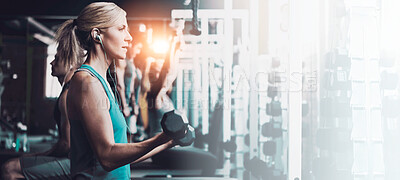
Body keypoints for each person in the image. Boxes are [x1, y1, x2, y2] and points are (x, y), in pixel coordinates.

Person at [65, 2, 175, 179]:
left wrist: (169, 141)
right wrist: (160, 139)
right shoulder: (87, 83)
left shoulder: (102, 82)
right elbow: (108, 157)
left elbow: (122, 157)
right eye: (121, 28)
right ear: (97, 35)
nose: (129, 38)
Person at [1, 19, 84, 180]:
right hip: (75, 160)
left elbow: (66, 145)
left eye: (58, 59)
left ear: (71, 63)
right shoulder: (70, 89)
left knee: (9, 169)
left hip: (78, 163)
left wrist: (39, 154)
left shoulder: (68, 95)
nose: (52, 62)